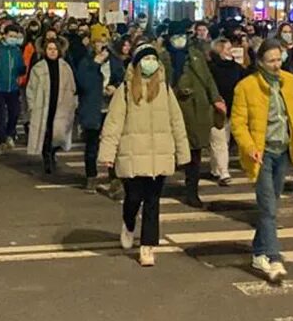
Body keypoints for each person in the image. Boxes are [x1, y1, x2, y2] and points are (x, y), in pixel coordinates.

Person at [230, 39, 293, 283]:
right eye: (271, 61)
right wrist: (249, 147)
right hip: (262, 153)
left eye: (279, 59)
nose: (277, 65)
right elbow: (238, 123)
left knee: (272, 202)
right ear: (260, 63)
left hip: (284, 151)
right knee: (268, 207)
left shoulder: (291, 82)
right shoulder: (246, 87)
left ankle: (258, 251)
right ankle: (274, 257)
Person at [98, 44, 191, 267]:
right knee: (133, 198)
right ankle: (128, 223)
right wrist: (107, 153)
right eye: (145, 59)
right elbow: (114, 123)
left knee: (152, 202)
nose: (150, 63)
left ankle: (148, 246)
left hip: (159, 155)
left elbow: (176, 121)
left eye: (153, 59)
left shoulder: (165, 89)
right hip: (133, 154)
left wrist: (183, 152)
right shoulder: (126, 90)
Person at [167, 21, 225, 208]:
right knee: (173, 151)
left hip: (197, 110)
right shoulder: (164, 57)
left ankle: (192, 191)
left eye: (182, 36)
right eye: (176, 36)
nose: (180, 40)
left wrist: (216, 99)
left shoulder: (196, 56)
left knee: (195, 154)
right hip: (175, 111)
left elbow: (208, 80)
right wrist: (177, 91)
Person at [74, 33, 124, 189]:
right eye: (97, 42)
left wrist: (115, 87)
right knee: (92, 146)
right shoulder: (86, 63)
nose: (101, 45)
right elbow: (83, 83)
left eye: (104, 41)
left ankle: (114, 176)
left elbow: (122, 79)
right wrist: (96, 64)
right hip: (92, 108)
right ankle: (91, 176)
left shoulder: (115, 62)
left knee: (113, 144)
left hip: (110, 108)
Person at [25, 37, 79, 174]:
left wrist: (73, 102)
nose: (53, 52)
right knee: (46, 132)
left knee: (59, 134)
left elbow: (72, 87)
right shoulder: (38, 68)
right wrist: (31, 106)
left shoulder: (65, 67)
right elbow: (31, 88)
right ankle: (47, 157)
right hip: (43, 106)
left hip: (61, 105)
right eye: (50, 49)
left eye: (55, 49)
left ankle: (52, 151)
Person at [208, 37, 246, 187]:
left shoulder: (236, 67)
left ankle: (215, 168)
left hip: (233, 107)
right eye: (228, 49)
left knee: (224, 140)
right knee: (219, 140)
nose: (231, 52)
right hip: (216, 108)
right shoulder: (211, 67)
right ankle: (223, 172)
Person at [0, 23, 27, 150]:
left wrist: (21, 70)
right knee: (0, 115)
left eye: (15, 36)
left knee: (15, 112)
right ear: (5, 36)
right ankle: (1, 139)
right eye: (11, 36)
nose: (13, 38)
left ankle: (9, 133)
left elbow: (20, 66)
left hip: (12, 87)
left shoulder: (17, 50)